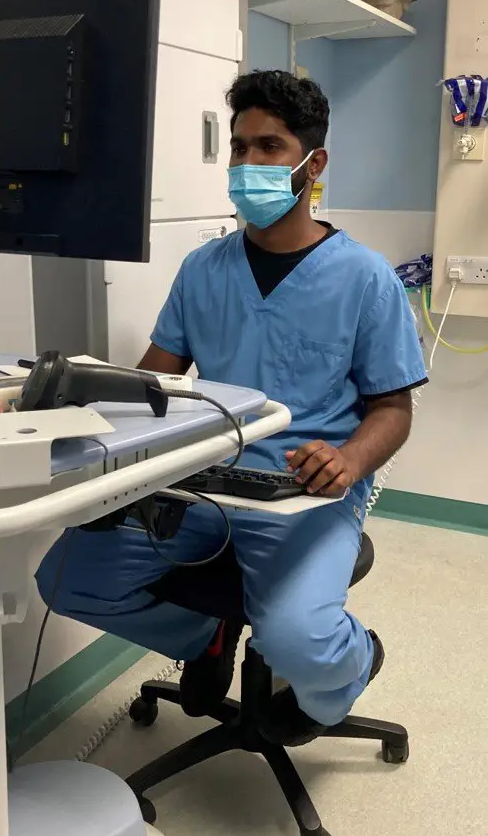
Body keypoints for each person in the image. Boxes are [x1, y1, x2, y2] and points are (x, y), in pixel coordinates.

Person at [36, 70, 428, 745]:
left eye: (269, 147)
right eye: (238, 149)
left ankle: (352, 661)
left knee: (297, 639)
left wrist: (346, 458)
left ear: (313, 163)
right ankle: (206, 638)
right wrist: (72, 402)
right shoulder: (204, 269)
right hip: (202, 482)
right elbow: (155, 379)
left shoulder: (364, 278)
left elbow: (392, 408)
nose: (247, 164)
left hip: (303, 491)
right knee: (70, 581)